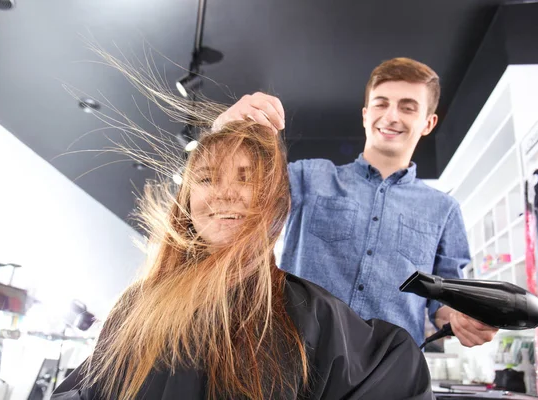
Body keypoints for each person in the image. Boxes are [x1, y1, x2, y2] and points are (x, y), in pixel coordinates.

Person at [51, 80, 433, 399]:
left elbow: (399, 372)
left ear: (275, 199)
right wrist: (220, 133)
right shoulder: (139, 306)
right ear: (186, 199)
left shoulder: (312, 318)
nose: (224, 194)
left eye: (246, 178)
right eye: (206, 178)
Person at [212, 57, 498, 348]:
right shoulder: (308, 178)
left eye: (408, 107)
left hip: (390, 375)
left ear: (428, 122)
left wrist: (463, 320)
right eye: (381, 103)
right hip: (298, 364)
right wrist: (223, 131)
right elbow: (231, 195)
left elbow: (443, 306)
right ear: (365, 114)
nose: (391, 116)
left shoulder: (444, 210)